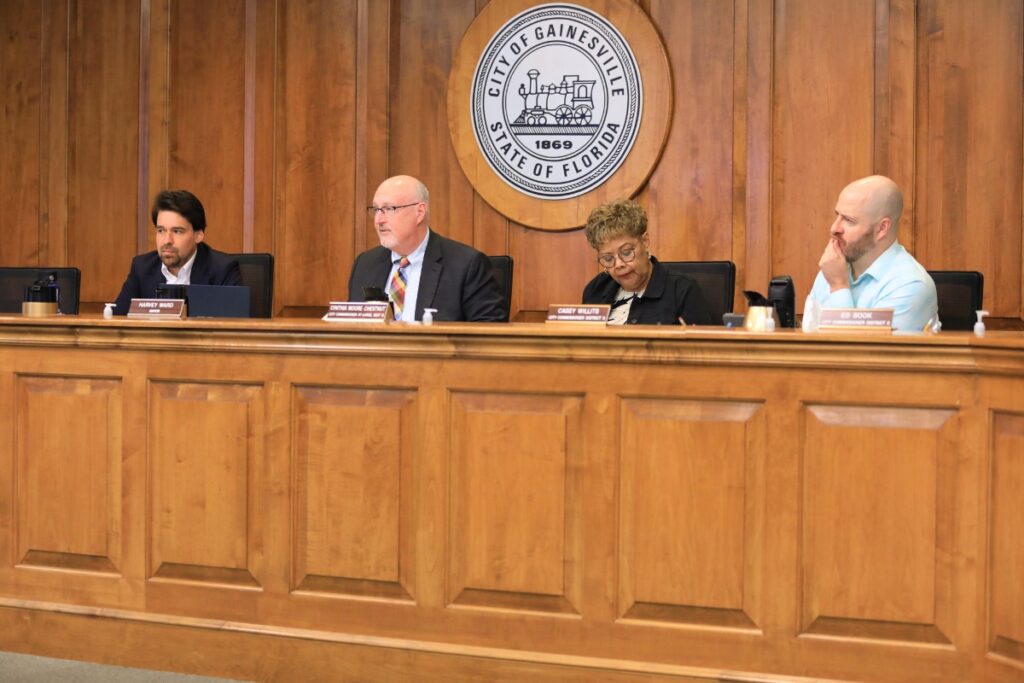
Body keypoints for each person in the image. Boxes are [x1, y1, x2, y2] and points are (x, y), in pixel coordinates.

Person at [348, 175, 505, 322]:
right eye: (376, 210)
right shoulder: (365, 264)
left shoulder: (466, 265)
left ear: (419, 212)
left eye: (389, 209)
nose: (379, 220)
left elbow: (488, 335)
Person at [810, 175, 937, 331]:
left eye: (849, 220)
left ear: (882, 228)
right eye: (838, 216)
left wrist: (839, 286)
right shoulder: (831, 269)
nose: (834, 228)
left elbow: (859, 354)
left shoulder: (911, 285)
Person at [581, 199, 711, 325]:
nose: (619, 264)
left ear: (645, 242)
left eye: (626, 253)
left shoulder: (682, 291)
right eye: (608, 259)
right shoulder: (596, 289)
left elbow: (703, 346)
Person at [113, 190, 241, 314]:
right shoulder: (142, 268)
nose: (167, 240)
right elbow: (117, 320)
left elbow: (233, 328)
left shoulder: (222, 269)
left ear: (199, 235)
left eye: (177, 231)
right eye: (161, 231)